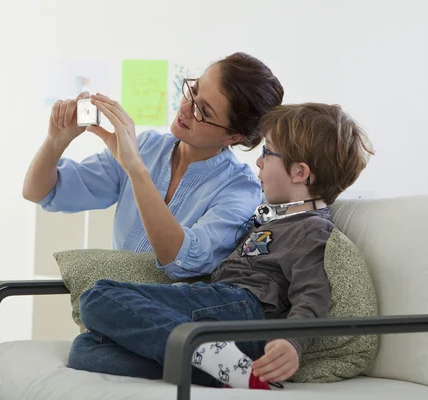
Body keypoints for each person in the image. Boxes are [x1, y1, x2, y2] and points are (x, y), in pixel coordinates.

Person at [67, 103, 375, 389]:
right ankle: (229, 370)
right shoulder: (271, 219)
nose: (258, 160)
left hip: (241, 310)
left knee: (96, 296)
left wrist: (292, 343)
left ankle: (208, 356)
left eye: (267, 153)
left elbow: (313, 294)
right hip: (220, 312)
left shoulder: (311, 228)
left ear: (299, 172)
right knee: (86, 350)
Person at [22, 53, 284, 279]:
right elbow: (41, 192)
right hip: (111, 303)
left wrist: (136, 170)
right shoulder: (147, 148)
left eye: (203, 111)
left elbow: (182, 260)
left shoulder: (241, 190)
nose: (184, 108)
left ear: (234, 136)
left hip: (173, 325)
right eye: (193, 90)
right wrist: (56, 142)